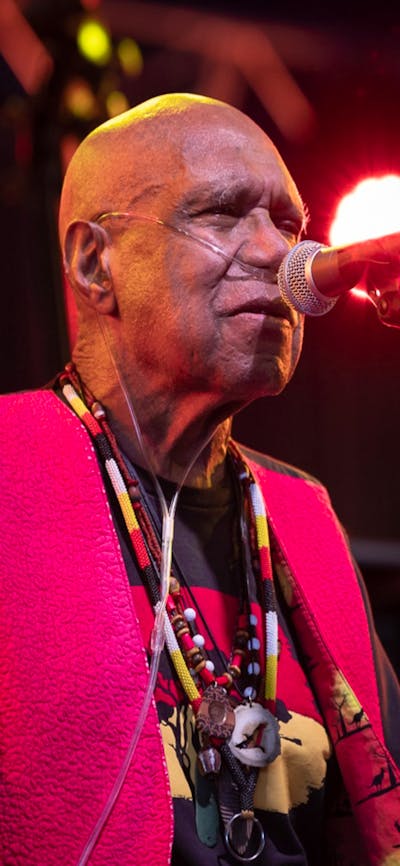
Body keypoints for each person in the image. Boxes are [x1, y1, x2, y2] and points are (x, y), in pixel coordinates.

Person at [0, 92, 399, 866]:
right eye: (222, 214)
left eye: (290, 225)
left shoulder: (302, 515)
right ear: (95, 263)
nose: (281, 257)